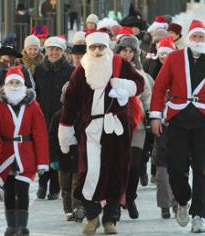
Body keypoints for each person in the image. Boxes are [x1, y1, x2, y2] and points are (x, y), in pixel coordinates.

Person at [150, 20, 205, 233]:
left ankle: (198, 215)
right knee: (176, 168)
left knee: (202, 170)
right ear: (188, 38)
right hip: (178, 119)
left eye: (201, 37)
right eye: (194, 37)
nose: (197, 40)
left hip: (203, 122)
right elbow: (159, 88)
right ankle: (183, 200)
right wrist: (156, 117)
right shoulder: (175, 59)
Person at [58, 31, 144, 234]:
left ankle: (110, 219)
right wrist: (65, 128)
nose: (97, 51)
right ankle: (92, 215)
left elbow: (139, 83)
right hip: (91, 129)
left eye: (101, 47)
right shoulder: (81, 70)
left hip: (117, 129)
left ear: (107, 47)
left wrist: (124, 86)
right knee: (89, 172)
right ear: (88, 48)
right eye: (93, 47)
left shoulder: (119, 64)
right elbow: (70, 102)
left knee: (116, 171)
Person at [0, 66, 49, 236]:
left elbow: (40, 133)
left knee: (22, 189)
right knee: (9, 190)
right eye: (11, 82)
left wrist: (42, 161)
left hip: (25, 153)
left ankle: (22, 226)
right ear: (6, 84)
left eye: (17, 82)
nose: (14, 85)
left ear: (23, 84)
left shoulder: (33, 105)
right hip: (5, 153)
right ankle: (11, 225)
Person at [114, 34, 152, 220]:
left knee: (135, 165)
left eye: (131, 51)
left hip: (138, 125)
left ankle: (130, 197)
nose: (127, 54)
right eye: (124, 50)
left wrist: (150, 115)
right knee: (118, 164)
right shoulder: (111, 70)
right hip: (116, 123)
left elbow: (147, 97)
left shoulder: (140, 73)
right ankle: (117, 200)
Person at [34, 36, 75, 200]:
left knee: (59, 149)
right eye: (51, 49)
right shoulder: (40, 69)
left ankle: (55, 187)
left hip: (61, 115)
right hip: (42, 114)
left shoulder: (70, 70)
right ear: (46, 50)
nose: (54, 52)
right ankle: (42, 184)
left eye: (57, 49)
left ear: (63, 52)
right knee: (43, 149)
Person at [150, 36, 179, 219]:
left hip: (178, 124)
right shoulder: (152, 69)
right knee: (162, 168)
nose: (164, 58)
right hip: (160, 123)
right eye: (161, 55)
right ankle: (165, 204)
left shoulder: (180, 71)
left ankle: (178, 200)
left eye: (167, 55)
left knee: (178, 166)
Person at [49, 82, 84, 222]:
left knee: (77, 184)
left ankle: (77, 207)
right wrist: (52, 158)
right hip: (62, 157)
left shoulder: (82, 115)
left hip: (78, 156)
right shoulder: (58, 116)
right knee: (64, 185)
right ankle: (68, 210)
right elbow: (51, 137)